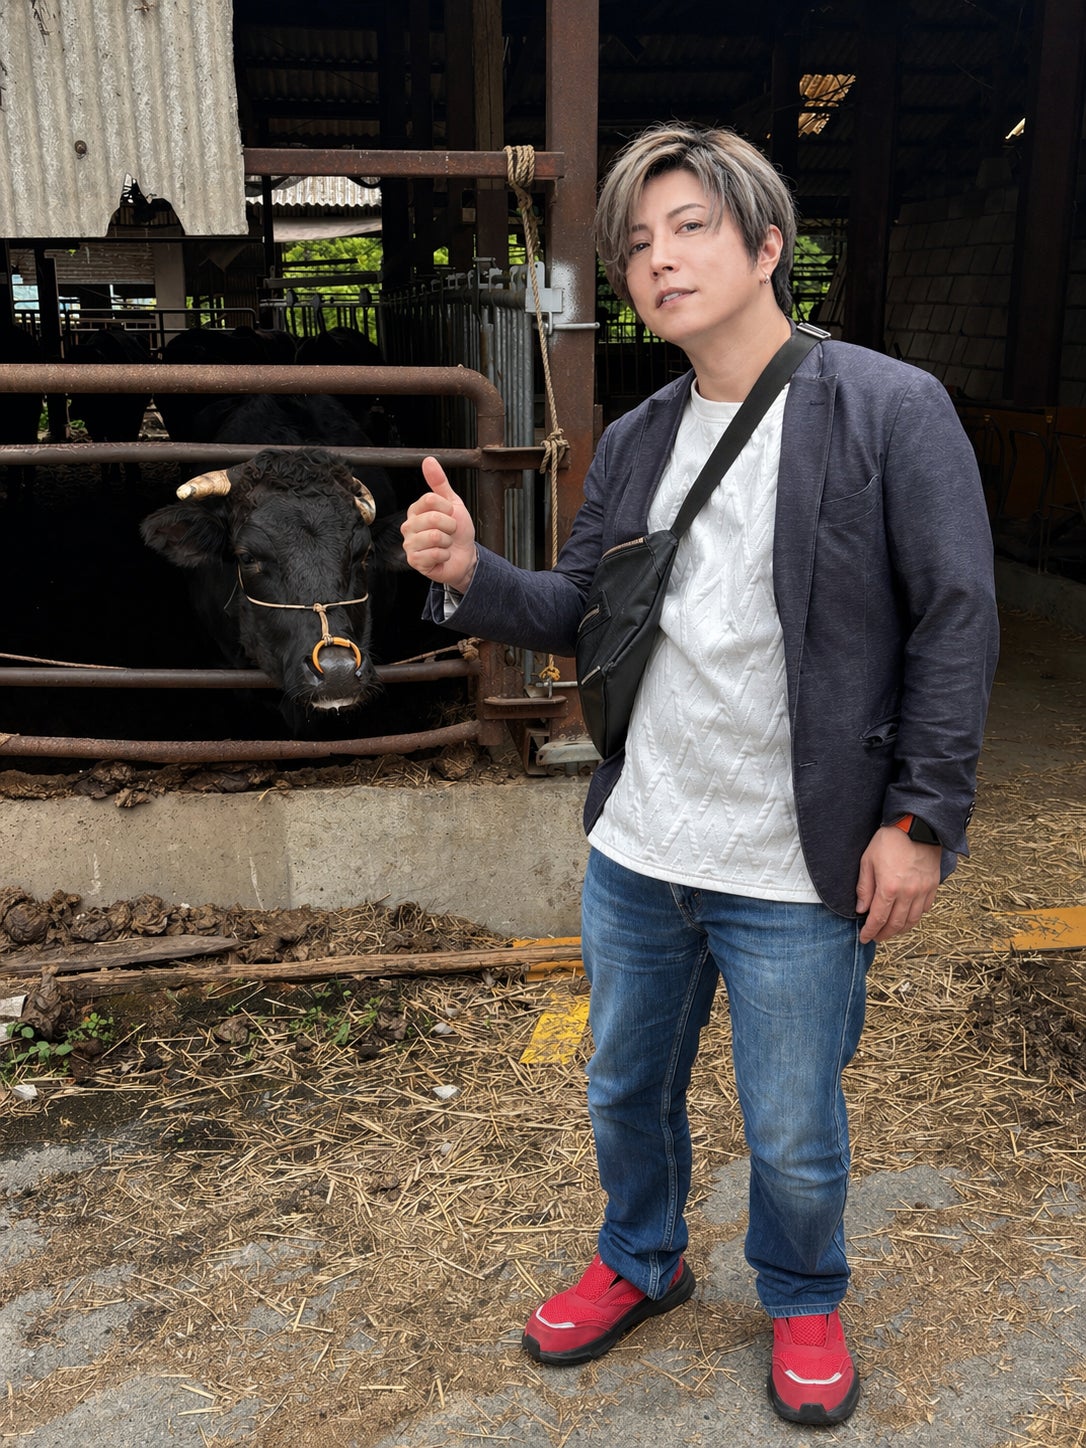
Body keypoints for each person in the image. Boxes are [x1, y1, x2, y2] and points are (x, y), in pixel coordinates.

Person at [400, 122, 998, 1427]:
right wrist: (467, 575)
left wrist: (921, 820)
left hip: (797, 859)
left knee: (791, 1123)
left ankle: (801, 1293)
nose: (658, 260)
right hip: (642, 848)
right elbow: (578, 609)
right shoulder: (638, 436)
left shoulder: (889, 409)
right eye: (635, 244)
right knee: (623, 1088)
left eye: (689, 228)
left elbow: (956, 621)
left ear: (767, 244)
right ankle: (640, 1259)